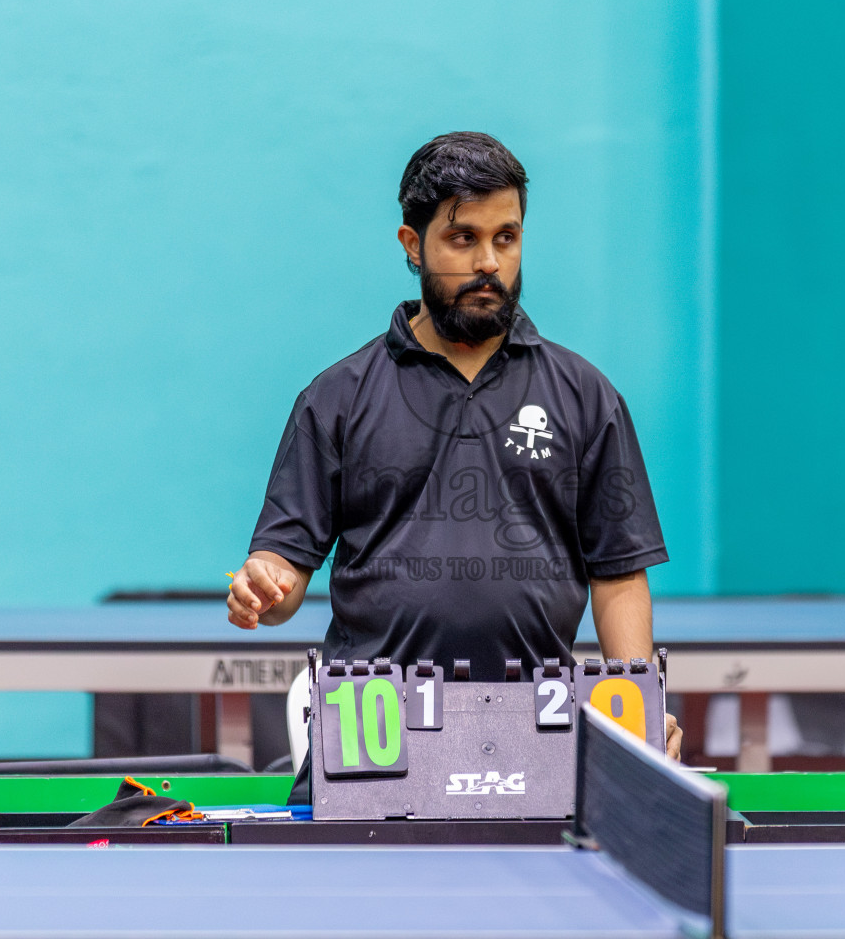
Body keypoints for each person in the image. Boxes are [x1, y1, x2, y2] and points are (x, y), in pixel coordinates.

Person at [228, 131, 682, 765]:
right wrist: (265, 587)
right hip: (372, 735)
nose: (489, 262)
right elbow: (285, 571)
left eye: (507, 237)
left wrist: (636, 703)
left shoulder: (585, 395)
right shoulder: (336, 398)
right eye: (463, 238)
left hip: (536, 728)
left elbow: (618, 575)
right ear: (413, 246)